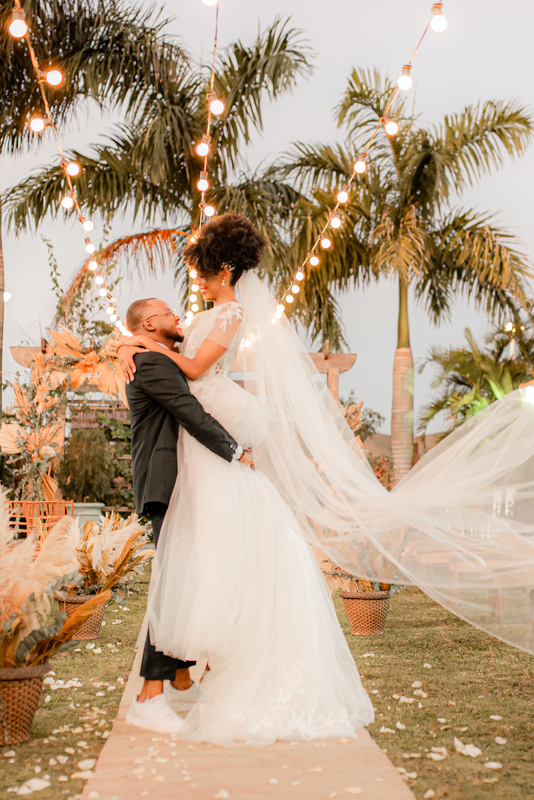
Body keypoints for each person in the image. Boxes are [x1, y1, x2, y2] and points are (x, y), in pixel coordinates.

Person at [117, 213, 373, 745]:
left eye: (204, 273)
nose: (195, 285)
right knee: (187, 569)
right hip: (188, 458)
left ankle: (170, 683)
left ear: (224, 269)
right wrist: (126, 344)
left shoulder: (224, 316)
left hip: (209, 437)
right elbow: (166, 353)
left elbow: (191, 371)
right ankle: (170, 682)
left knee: (192, 567)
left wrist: (143, 345)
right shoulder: (192, 323)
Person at [120, 296, 255, 735]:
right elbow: (191, 414)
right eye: (171, 314)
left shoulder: (149, 355)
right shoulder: (153, 364)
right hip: (168, 481)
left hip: (180, 481)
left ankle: (179, 679)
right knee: (174, 583)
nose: (179, 317)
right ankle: (148, 695)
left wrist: (123, 344)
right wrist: (235, 452)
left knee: (186, 578)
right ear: (153, 322)